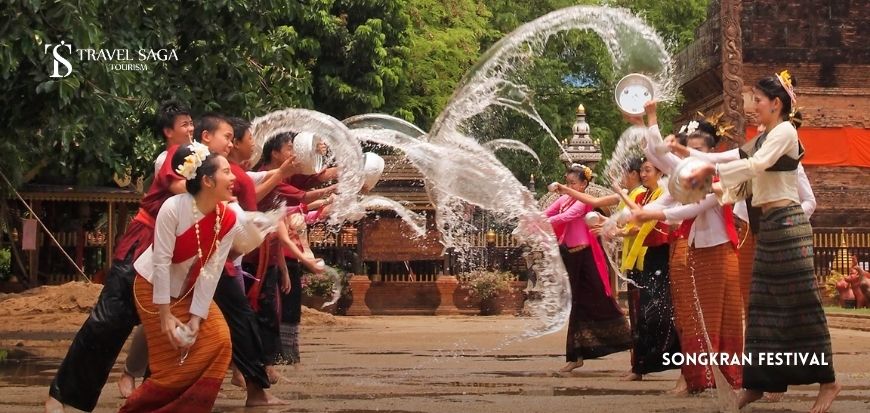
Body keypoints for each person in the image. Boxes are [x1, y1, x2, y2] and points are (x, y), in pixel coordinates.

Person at [684, 71, 840, 413]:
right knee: (762, 308)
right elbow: (745, 181)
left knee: (803, 305)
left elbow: (756, 165)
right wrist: (715, 185)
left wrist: (710, 171)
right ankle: (758, 383)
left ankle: (828, 382)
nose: (752, 106)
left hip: (790, 225)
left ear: (776, 104)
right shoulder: (766, 133)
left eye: (757, 100)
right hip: (769, 226)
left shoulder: (784, 131)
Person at [120, 145, 240, 412]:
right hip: (153, 288)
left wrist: (197, 317)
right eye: (226, 172)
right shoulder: (173, 207)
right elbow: (161, 262)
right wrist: (164, 315)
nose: (234, 178)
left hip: (190, 290)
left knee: (219, 341)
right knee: (170, 366)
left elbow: (212, 270)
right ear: (208, 181)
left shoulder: (229, 218)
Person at [631, 116, 744, 393]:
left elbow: (692, 208)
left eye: (696, 151)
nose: (689, 156)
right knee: (691, 317)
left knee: (718, 318)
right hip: (696, 251)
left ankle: (725, 378)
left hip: (719, 253)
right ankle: (698, 378)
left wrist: (651, 213)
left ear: (711, 154)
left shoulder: (718, 180)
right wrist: (647, 121)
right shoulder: (690, 176)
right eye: (686, 150)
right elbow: (660, 157)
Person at [118, 100, 195, 398]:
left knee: (175, 310)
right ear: (167, 131)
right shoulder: (168, 157)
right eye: (184, 124)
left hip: (186, 244)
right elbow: (178, 190)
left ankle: (160, 378)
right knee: (152, 309)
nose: (191, 129)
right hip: (156, 240)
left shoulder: (202, 158)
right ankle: (131, 372)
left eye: (192, 123)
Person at [549, 164, 632, 373]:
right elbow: (549, 212)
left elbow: (564, 218)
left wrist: (540, 222)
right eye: (568, 183)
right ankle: (575, 355)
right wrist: (530, 217)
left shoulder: (581, 201)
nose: (569, 186)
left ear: (584, 184)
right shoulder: (564, 200)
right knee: (576, 305)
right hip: (570, 256)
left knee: (602, 302)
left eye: (573, 183)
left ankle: (631, 341)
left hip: (585, 258)